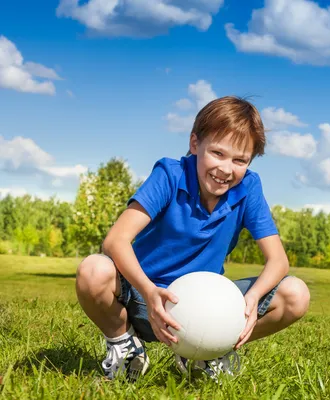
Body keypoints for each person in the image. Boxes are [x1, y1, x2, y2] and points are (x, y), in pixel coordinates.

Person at [75, 96, 310, 382]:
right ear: (195, 144)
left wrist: (252, 298)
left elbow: (278, 261)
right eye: (218, 153)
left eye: (240, 160)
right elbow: (115, 241)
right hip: (146, 300)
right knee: (93, 269)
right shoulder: (170, 175)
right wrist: (149, 292)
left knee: (295, 295)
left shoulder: (249, 187)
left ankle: (209, 351)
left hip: (205, 308)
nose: (226, 169)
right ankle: (126, 346)